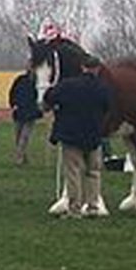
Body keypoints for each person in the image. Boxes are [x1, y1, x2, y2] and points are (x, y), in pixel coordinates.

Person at [43, 56, 112, 217]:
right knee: (93, 172)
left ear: (83, 68)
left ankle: (75, 209)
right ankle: (93, 207)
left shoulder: (68, 85)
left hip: (71, 135)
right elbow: (107, 107)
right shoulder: (102, 88)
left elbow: (49, 97)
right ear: (98, 69)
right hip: (94, 135)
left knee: (73, 172)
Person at [9, 69, 42, 166]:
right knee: (18, 137)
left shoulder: (39, 81)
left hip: (31, 113)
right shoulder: (20, 79)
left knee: (25, 136)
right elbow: (13, 92)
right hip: (19, 112)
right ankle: (24, 157)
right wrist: (13, 104)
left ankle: (18, 158)